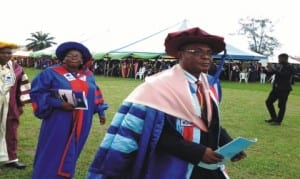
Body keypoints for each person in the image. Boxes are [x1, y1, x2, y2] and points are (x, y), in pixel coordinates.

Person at [86, 27, 246, 179]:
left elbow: (208, 123)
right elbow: (152, 132)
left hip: (208, 166)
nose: (206, 57)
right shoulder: (157, 87)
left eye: (209, 53)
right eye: (197, 52)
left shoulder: (210, 85)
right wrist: (196, 152)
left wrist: (227, 142)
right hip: (172, 166)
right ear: (180, 54)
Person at [30, 41, 108, 178]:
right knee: (52, 148)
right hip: (59, 120)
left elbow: (95, 93)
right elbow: (38, 93)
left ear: (82, 60)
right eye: (69, 55)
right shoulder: (52, 73)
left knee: (73, 149)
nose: (72, 57)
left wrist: (101, 110)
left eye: (76, 56)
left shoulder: (88, 75)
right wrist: (59, 104)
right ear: (63, 58)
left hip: (83, 121)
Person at [0, 41, 31, 169]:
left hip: (10, 106)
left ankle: (11, 159)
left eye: (9, 53)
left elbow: (22, 86)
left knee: (11, 131)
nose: (7, 55)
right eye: (3, 53)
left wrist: (20, 104)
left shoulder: (16, 68)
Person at [264, 53, 296, 125]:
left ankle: (278, 121)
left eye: (280, 58)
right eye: (278, 58)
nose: (278, 60)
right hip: (276, 88)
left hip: (284, 89)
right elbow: (270, 73)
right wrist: (265, 69)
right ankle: (274, 117)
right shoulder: (278, 66)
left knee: (281, 105)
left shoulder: (290, 66)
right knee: (268, 102)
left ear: (285, 59)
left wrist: (274, 69)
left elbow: (284, 75)